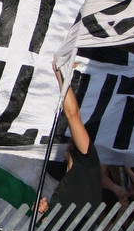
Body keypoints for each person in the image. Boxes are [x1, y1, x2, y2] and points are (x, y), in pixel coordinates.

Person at [38, 58, 102, 213]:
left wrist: (63, 74)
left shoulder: (89, 163)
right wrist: (42, 211)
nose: (70, 140)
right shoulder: (69, 178)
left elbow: (73, 115)